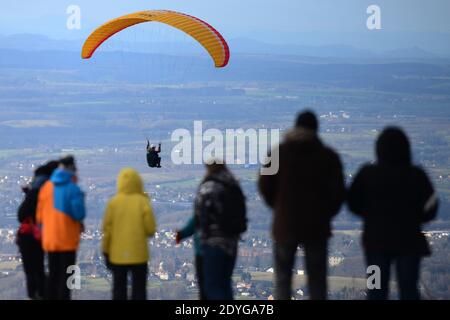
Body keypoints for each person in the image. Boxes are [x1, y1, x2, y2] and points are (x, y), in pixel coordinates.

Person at [258, 110, 345, 300]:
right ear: (316, 129)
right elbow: (338, 194)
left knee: (282, 280)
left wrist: (279, 208)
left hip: (285, 226)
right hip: (317, 226)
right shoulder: (328, 157)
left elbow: (265, 187)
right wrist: (325, 213)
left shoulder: (278, 154)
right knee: (317, 282)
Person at [348, 127, 438, 300]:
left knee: (375, 289)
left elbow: (352, 202)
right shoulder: (416, 175)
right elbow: (431, 207)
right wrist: (417, 219)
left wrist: (369, 216)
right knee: (409, 289)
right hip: (409, 242)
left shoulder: (368, 174)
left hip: (375, 243)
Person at [195, 159, 247, 300]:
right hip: (232, 242)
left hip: (213, 242)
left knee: (212, 285)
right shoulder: (233, 184)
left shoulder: (208, 187)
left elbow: (200, 216)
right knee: (225, 283)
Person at [102, 168, 157, 300]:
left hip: (118, 256)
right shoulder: (143, 202)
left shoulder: (113, 203)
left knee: (119, 290)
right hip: (139, 256)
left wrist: (105, 251)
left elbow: (107, 231)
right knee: (139, 291)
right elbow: (150, 229)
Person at [36, 155, 86, 300]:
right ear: (72, 167)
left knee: (53, 275)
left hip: (50, 240)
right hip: (67, 240)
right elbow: (79, 214)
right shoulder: (73, 188)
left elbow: (39, 217)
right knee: (67, 278)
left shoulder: (46, 188)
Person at [17, 160, 59, 300]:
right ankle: (42, 294)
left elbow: (21, 214)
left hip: (28, 236)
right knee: (39, 269)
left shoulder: (35, 192)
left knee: (31, 270)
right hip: (41, 236)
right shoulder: (51, 191)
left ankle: (35, 295)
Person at [176, 215, 205, 300]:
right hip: (227, 252)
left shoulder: (205, 204)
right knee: (224, 283)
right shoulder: (229, 209)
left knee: (203, 285)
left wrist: (180, 235)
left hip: (204, 252)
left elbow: (192, 226)